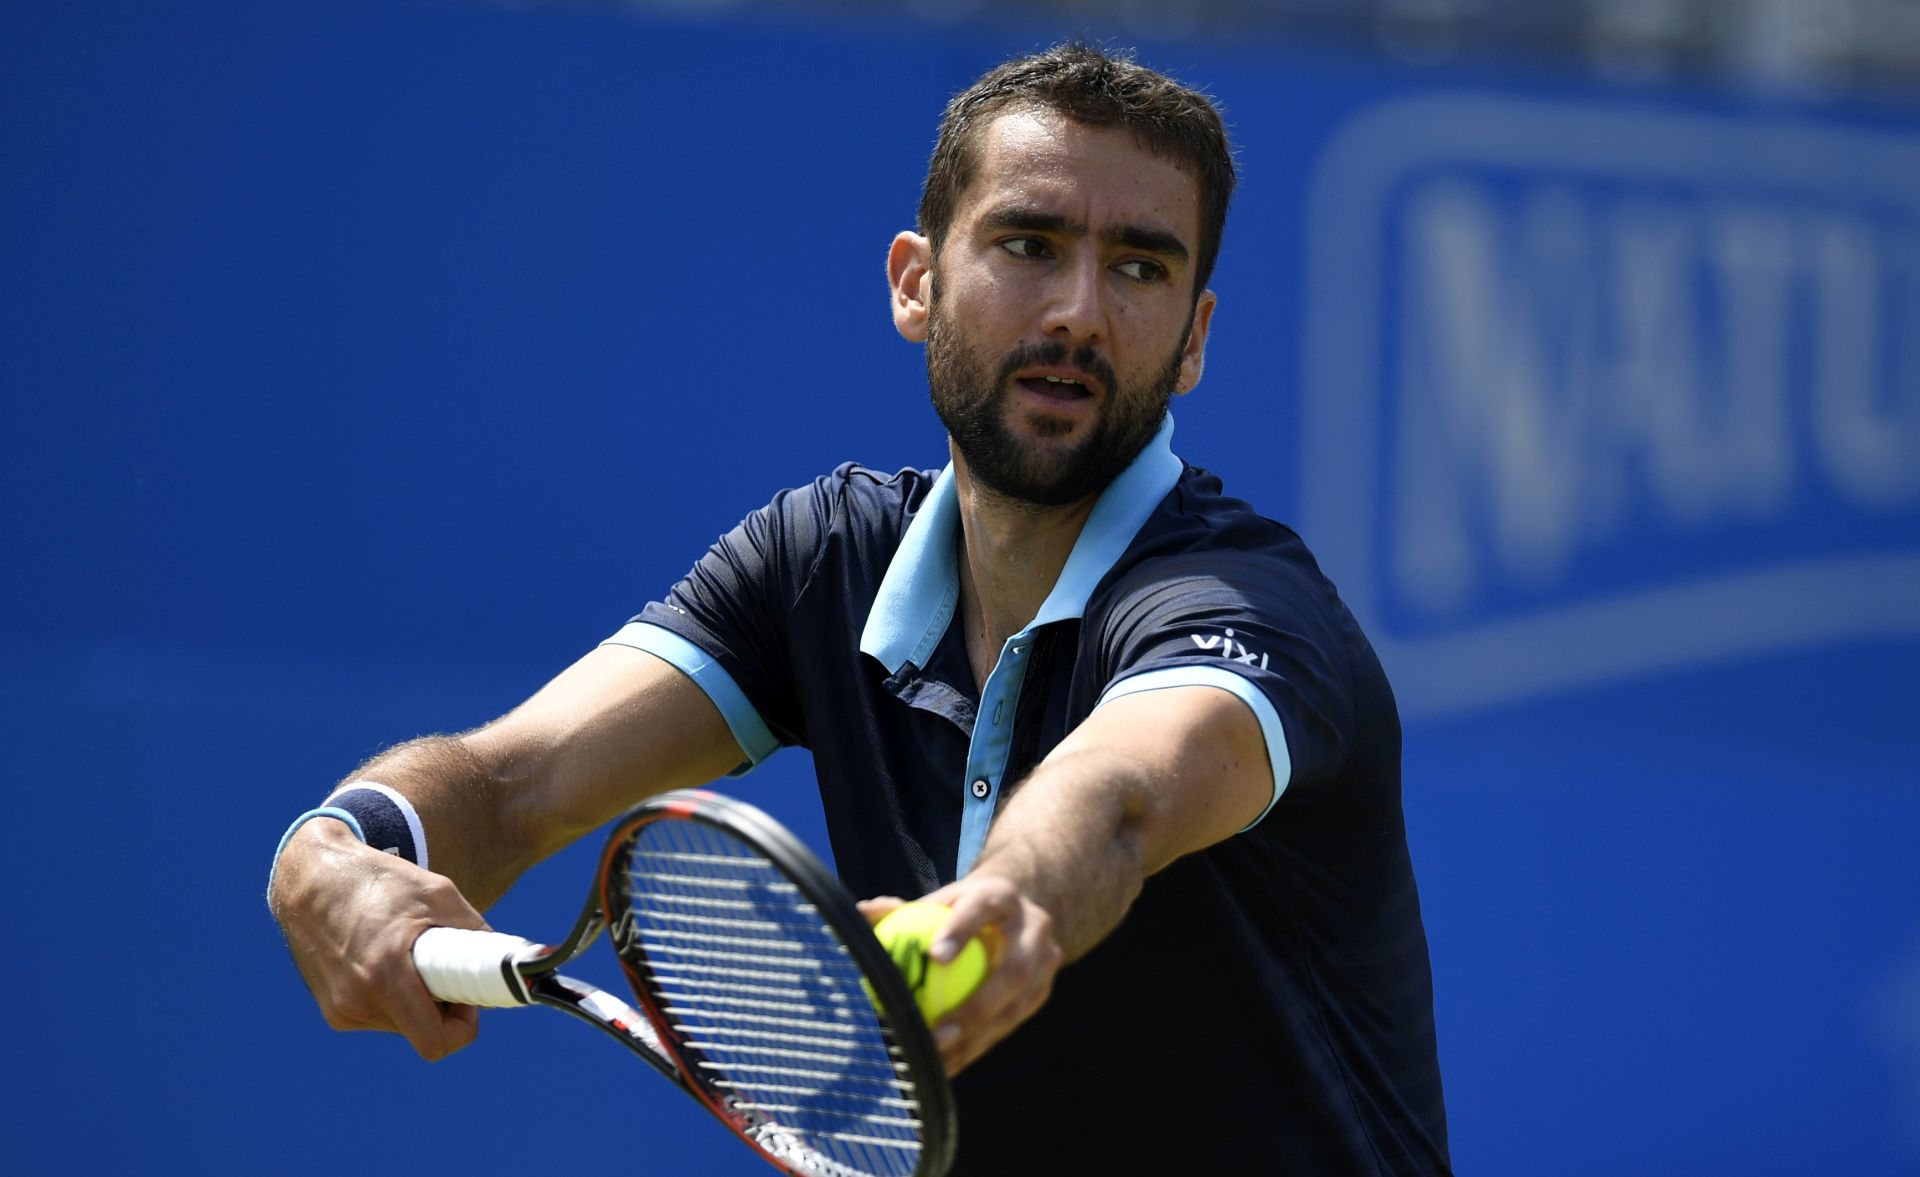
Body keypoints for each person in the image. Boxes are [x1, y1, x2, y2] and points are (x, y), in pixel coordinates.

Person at [268, 43, 1451, 1175]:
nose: (1081, 313)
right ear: (915, 283)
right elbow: (507, 784)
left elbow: (1126, 795)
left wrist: (1005, 901)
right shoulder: (822, 560)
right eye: (1029, 245)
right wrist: (333, 851)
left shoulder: (1245, 601)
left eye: (1141, 267)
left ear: (1194, 341)